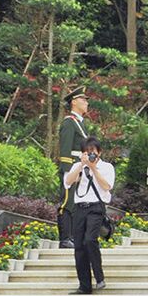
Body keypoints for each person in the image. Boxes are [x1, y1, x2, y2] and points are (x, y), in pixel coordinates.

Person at [63, 138, 115, 294]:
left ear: (99, 152)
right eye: (87, 152)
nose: (91, 154)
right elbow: (67, 182)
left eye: (93, 152)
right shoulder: (78, 166)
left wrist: (94, 168)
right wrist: (81, 165)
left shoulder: (106, 167)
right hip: (79, 208)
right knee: (79, 246)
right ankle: (84, 286)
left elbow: (107, 186)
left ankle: (99, 277)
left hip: (96, 208)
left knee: (90, 239)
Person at [55, 88, 92, 248]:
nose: (86, 103)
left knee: (76, 203)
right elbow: (65, 150)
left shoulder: (80, 124)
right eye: (83, 100)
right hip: (72, 169)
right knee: (67, 202)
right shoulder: (69, 123)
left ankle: (73, 237)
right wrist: (68, 171)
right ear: (74, 102)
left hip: (81, 167)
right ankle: (65, 238)